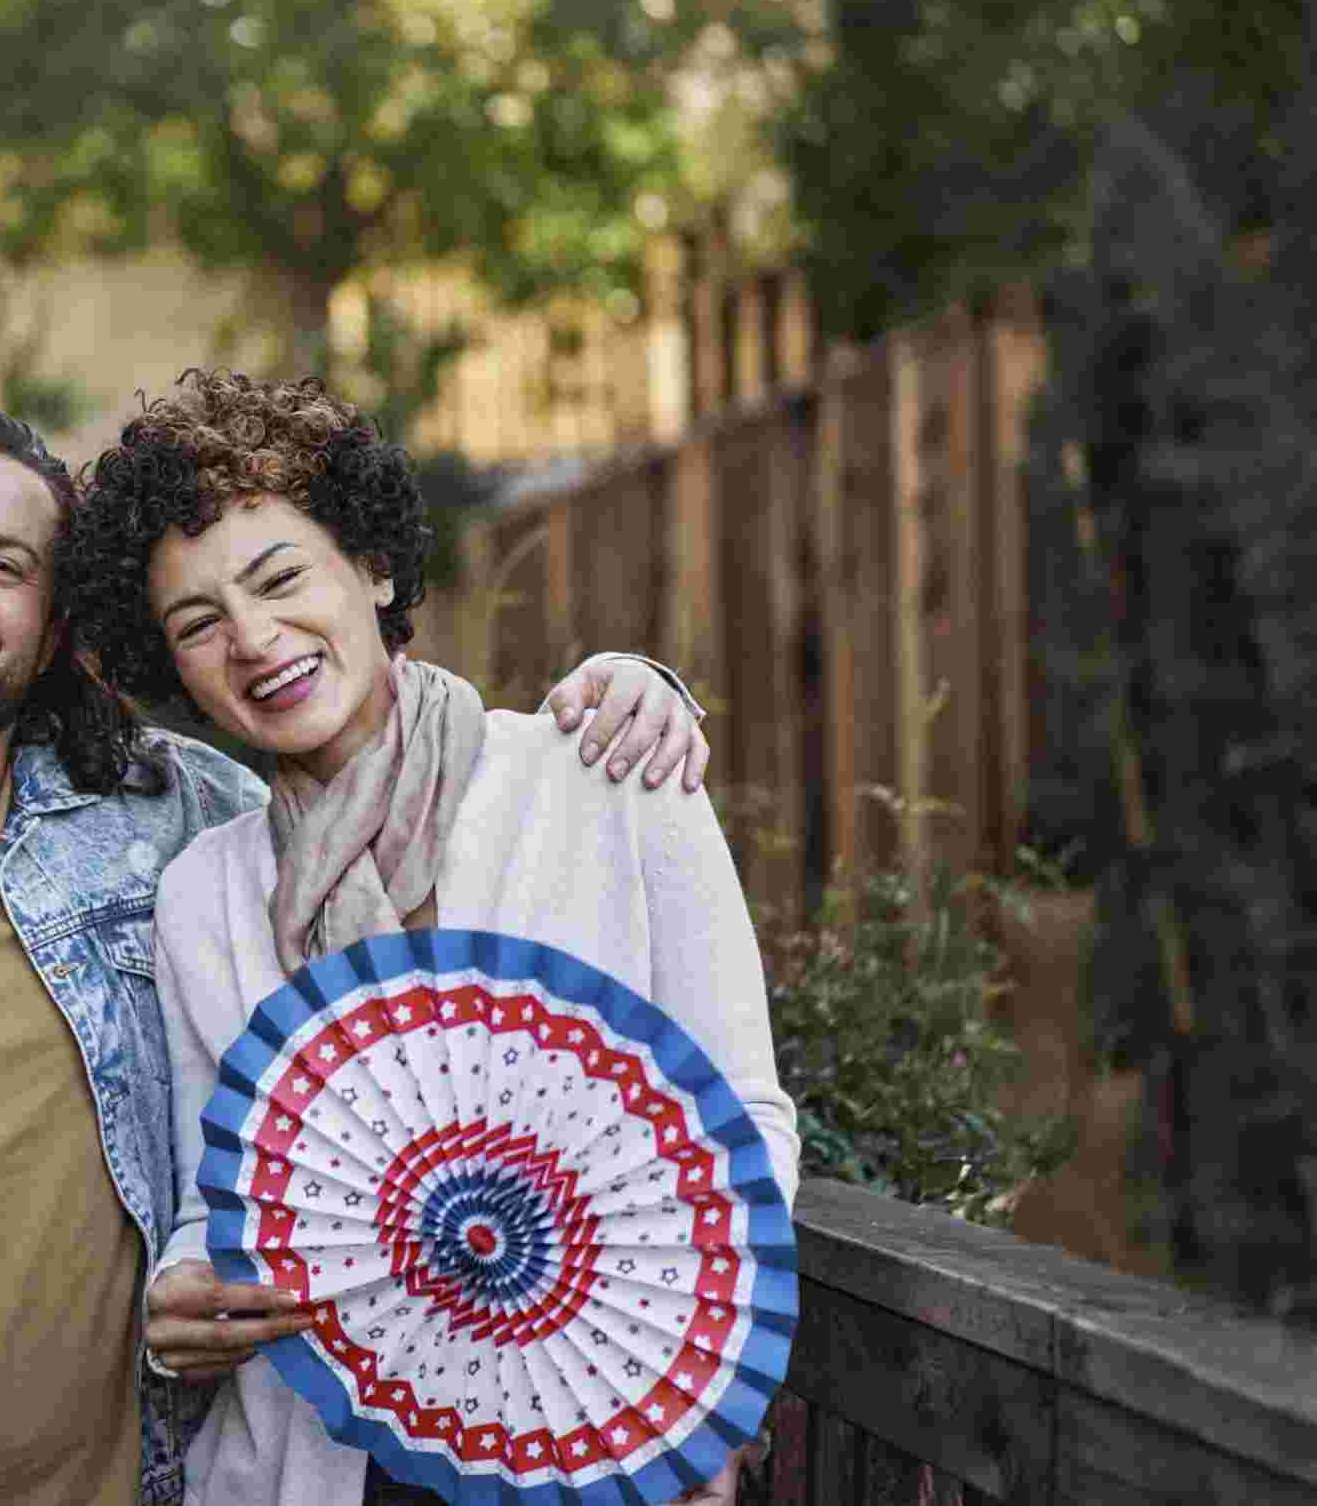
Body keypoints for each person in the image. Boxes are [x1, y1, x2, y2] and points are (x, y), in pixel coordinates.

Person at [0, 399, 710, 1506]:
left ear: (53, 624)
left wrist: (625, 699)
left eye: (5, 564)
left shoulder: (185, 826)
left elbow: (393, 806)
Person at [63, 371, 797, 1506]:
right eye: (198, 623)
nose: (255, 640)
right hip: (319, 1456)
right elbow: (223, 1197)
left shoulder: (601, 772)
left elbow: (739, 1111)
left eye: (282, 578)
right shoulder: (204, 894)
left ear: (374, 566)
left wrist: (709, 1402)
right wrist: (184, 1298)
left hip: (588, 1441)